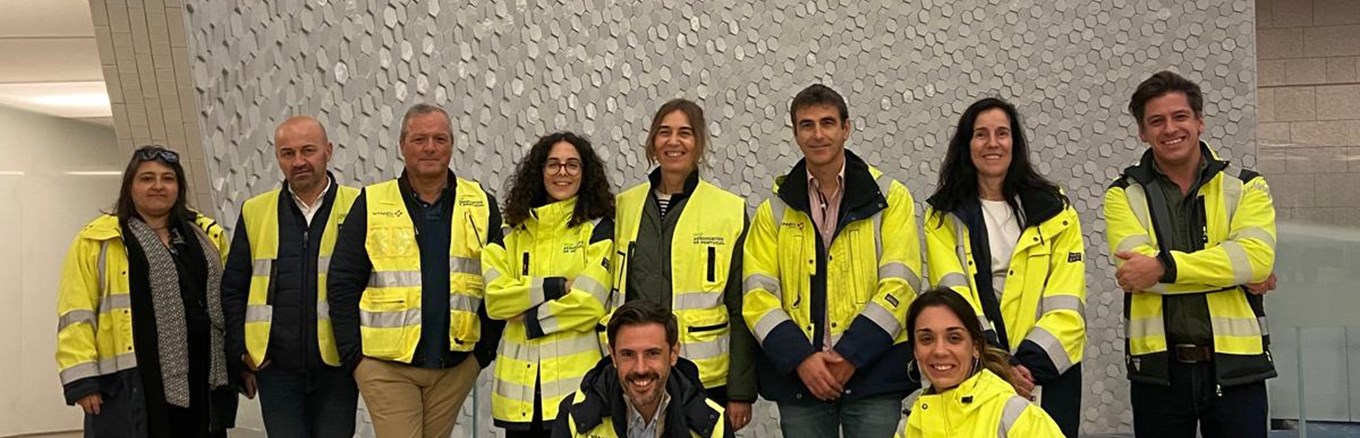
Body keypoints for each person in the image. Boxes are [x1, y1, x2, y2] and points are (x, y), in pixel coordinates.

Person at [1104, 70, 1278, 438]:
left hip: (1237, 370)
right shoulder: (1122, 194)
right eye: (1156, 121)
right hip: (1158, 372)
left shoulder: (1246, 186)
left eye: (1180, 116)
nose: (1170, 129)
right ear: (1142, 132)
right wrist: (1230, 272)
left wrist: (1162, 267)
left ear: (1199, 121)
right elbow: (1136, 273)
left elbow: (1256, 260)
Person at [743, 84, 923, 438]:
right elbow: (757, 295)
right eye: (807, 125)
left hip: (874, 375)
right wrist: (800, 358)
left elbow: (901, 284)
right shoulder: (773, 210)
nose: (818, 134)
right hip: (802, 382)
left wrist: (851, 355)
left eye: (827, 123)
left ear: (846, 128)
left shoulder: (890, 198)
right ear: (795, 134)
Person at [327, 103, 505, 437]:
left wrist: (482, 354)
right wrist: (355, 357)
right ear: (402, 146)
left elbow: (500, 284)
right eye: (419, 139)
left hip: (455, 365)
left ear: (452, 145)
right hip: (385, 366)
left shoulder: (481, 203)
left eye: (440, 139)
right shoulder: (372, 202)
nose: (430, 148)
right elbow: (342, 283)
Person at [923, 97, 1086, 436]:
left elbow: (1067, 304)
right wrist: (999, 364)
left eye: (1002, 133)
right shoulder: (943, 216)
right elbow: (956, 299)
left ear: (1015, 142)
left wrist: (1025, 367)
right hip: (976, 372)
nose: (992, 143)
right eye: (981, 134)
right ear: (967, 144)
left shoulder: (1056, 211)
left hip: (1049, 372)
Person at [55, 145, 237, 437]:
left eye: (167, 178)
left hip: (203, 377)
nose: (158, 186)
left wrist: (240, 361)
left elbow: (229, 304)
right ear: (130, 185)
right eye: (147, 178)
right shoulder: (98, 241)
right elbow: (76, 314)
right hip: (132, 381)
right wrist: (82, 380)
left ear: (179, 187)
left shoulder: (206, 235)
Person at [609, 98, 756, 430]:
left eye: (685, 133)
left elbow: (741, 307)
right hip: (639, 375)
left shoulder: (729, 210)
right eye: (664, 132)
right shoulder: (624, 206)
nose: (673, 141)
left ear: (699, 144)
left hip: (706, 377)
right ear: (652, 141)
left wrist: (740, 391)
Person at [221, 116, 361, 436]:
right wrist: (241, 351)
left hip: (339, 366)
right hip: (276, 369)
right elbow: (234, 288)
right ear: (278, 158)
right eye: (288, 153)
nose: (298, 161)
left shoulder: (359, 206)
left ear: (328, 151)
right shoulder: (255, 210)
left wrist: (360, 356)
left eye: (308, 150)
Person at [484, 132, 616, 437]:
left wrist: (529, 317)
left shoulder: (599, 230)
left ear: (585, 173)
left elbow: (589, 304)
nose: (562, 172)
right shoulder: (510, 232)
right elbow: (495, 300)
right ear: (540, 171)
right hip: (519, 395)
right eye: (553, 164)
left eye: (572, 165)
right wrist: (557, 287)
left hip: (576, 389)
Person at [892, 288, 1064, 437]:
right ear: (915, 350)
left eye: (954, 338)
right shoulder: (909, 427)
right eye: (926, 339)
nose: (940, 351)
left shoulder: (1014, 415)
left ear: (975, 347)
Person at [554, 300, 728, 438]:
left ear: (673, 354)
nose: (640, 368)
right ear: (613, 356)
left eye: (652, 353)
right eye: (628, 354)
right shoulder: (574, 416)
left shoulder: (712, 423)